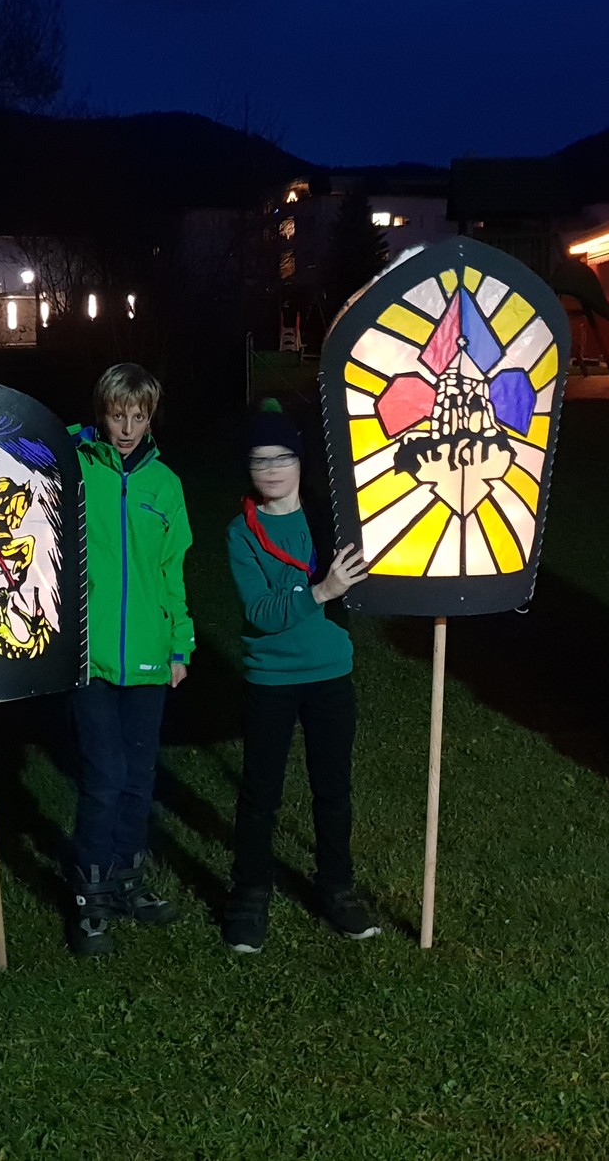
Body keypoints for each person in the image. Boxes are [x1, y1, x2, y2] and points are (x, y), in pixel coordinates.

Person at [221, 401, 379, 953]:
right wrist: (321, 591)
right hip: (271, 678)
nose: (270, 470)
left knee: (333, 791)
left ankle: (337, 888)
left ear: (300, 460)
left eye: (281, 457)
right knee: (260, 794)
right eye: (258, 460)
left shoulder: (331, 521)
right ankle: (249, 895)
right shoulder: (241, 533)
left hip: (330, 673)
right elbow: (262, 612)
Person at [66, 363, 194, 956]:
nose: (126, 429)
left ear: (150, 417)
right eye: (117, 415)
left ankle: (126, 878)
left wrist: (179, 645)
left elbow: (173, 573)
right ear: (103, 412)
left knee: (139, 779)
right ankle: (88, 896)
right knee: (105, 777)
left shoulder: (165, 485)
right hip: (88, 655)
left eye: (137, 417)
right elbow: (20, 448)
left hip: (148, 655)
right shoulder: (75, 466)